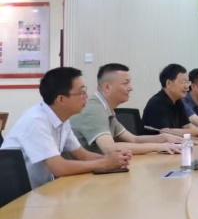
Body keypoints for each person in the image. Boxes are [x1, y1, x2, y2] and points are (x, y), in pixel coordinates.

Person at [0, 67, 131, 188]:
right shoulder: (36, 121)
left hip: (43, 190)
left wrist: (115, 159)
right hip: (17, 196)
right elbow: (59, 167)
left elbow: (82, 155)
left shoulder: (62, 119)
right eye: (81, 92)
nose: (86, 96)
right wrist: (105, 163)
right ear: (61, 99)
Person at [71, 63, 182, 154]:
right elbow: (110, 148)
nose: (130, 88)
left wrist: (163, 138)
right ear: (107, 87)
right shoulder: (94, 109)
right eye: (126, 83)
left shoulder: (105, 108)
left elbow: (134, 139)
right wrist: (158, 147)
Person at [141, 64, 198, 137]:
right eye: (183, 82)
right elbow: (166, 132)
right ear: (168, 83)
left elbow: (186, 125)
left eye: (187, 82)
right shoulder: (157, 103)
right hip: (154, 144)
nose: (186, 86)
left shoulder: (178, 101)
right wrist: (196, 131)